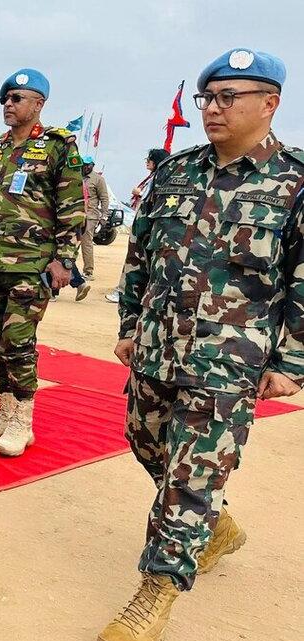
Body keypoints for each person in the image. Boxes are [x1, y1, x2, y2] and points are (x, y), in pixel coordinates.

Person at [100, 48, 304, 641]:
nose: (213, 109)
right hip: (158, 347)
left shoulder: (294, 181)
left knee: (192, 477)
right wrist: (129, 326)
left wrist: (293, 361)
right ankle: (212, 528)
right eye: (207, 98)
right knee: (145, 443)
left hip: (230, 360)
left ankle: (154, 593)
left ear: (269, 103)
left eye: (228, 98)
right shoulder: (176, 171)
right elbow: (140, 256)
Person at [0, 68, 85, 457]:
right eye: (6, 98)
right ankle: (5, 411)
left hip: (31, 266)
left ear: (39, 104)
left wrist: (64, 260)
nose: (8, 104)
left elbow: (72, 208)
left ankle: (23, 422)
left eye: (17, 99)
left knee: (18, 342)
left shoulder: (57, 147)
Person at [106, 148, 169, 304]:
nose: (147, 162)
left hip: (148, 227)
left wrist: (140, 193)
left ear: (156, 162)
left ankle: (123, 292)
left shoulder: (160, 178)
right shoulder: (154, 177)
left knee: (135, 262)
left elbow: (154, 199)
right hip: (144, 225)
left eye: (149, 159)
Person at [81, 154, 110, 280]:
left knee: (86, 243)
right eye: (83, 164)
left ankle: (88, 272)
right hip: (76, 214)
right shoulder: (76, 176)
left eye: (88, 165)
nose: (85, 167)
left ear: (92, 165)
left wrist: (104, 216)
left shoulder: (98, 179)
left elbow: (104, 198)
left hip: (90, 215)